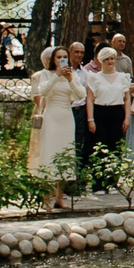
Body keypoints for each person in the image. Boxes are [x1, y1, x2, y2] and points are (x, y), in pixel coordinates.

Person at [30, 48, 81, 205]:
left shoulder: (72, 75)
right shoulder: (45, 74)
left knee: (64, 155)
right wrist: (57, 75)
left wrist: (70, 79)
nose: (62, 59)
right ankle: (46, 197)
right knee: (49, 154)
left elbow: (81, 95)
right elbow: (42, 91)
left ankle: (59, 197)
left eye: (65, 57)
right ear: (53, 59)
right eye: (59, 57)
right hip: (51, 116)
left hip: (66, 116)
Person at [83, 47, 129, 178]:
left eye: (112, 59)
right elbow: (90, 99)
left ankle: (113, 181)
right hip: (100, 113)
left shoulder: (122, 77)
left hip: (117, 112)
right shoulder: (94, 78)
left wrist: (127, 118)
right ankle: (98, 182)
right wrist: (90, 119)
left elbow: (127, 99)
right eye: (106, 59)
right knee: (99, 146)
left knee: (115, 146)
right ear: (101, 61)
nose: (110, 61)